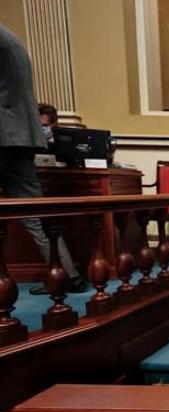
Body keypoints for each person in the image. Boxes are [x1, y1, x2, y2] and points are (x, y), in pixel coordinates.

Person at [0, 24, 88, 295]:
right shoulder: (12, 38)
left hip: (2, 134)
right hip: (22, 136)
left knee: (36, 214)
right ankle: (66, 275)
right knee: (36, 214)